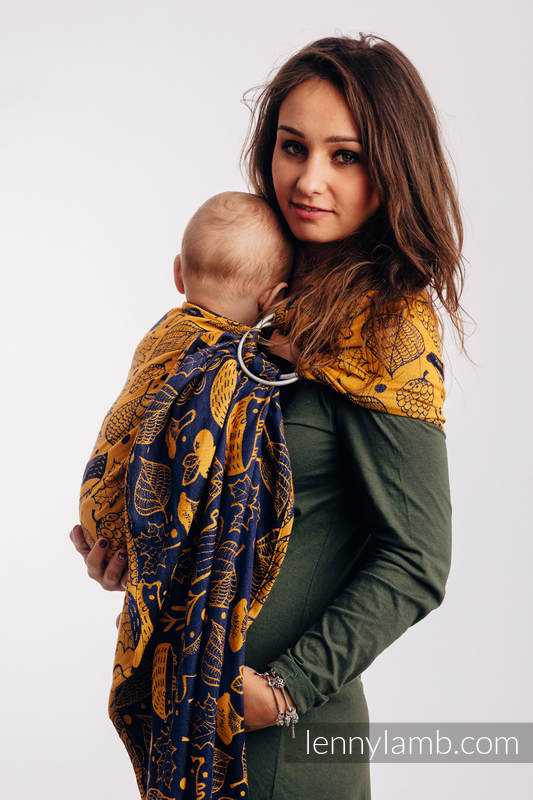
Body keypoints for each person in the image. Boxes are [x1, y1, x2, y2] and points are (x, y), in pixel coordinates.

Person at [71, 33, 464, 800]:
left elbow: (417, 559)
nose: (308, 180)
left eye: (344, 156)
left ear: (391, 168)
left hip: (284, 741)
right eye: (292, 147)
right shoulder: (246, 298)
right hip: (187, 716)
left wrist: (285, 689)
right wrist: (139, 547)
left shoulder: (387, 332)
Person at [78, 189, 293, 559]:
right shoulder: (235, 357)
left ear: (178, 272)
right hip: (148, 526)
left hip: (96, 503)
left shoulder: (164, 331)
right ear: (273, 298)